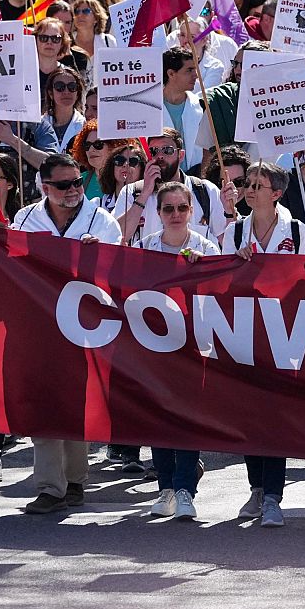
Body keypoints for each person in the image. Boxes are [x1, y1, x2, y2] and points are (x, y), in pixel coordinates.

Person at [10, 154, 123, 514]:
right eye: (64, 185)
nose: (73, 190)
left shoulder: (101, 220)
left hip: (84, 325)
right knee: (43, 402)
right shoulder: (26, 218)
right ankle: (48, 485)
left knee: (76, 403)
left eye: (77, 182)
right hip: (39, 323)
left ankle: (75, 480)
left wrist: (98, 255)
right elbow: (9, 264)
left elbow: (119, 271)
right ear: (45, 188)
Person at [221, 160, 305, 525]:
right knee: (248, 414)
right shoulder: (235, 231)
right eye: (249, 183)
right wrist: (236, 264)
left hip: (283, 332)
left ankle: (274, 495)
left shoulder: (297, 229)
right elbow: (218, 280)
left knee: (273, 417)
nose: (250, 189)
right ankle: (256, 488)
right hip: (242, 331)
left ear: (276, 193)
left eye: (259, 184)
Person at [134, 182, 222, 521]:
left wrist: (203, 271)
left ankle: (186, 490)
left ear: (192, 212)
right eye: (168, 209)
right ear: (158, 213)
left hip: (193, 345)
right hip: (154, 345)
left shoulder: (206, 247)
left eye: (181, 208)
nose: (174, 215)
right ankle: (166, 488)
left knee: (185, 418)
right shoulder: (144, 248)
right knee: (159, 417)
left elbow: (222, 292)